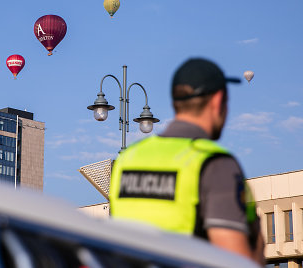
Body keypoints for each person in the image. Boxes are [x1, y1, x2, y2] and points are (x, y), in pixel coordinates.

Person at [109, 58, 264, 265]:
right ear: (218, 101)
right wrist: (259, 242)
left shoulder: (127, 159)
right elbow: (236, 261)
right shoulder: (215, 164)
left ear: (175, 102)